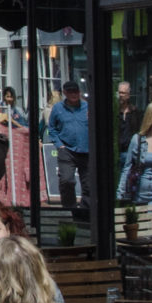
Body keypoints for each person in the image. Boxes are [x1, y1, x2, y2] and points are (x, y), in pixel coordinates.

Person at [46, 80, 89, 215]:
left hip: (86, 150)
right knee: (66, 180)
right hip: (67, 150)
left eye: (75, 91)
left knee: (88, 185)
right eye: (70, 92)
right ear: (65, 93)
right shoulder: (58, 108)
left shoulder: (87, 107)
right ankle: (70, 210)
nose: (73, 94)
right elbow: (52, 128)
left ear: (79, 92)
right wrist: (60, 145)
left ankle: (85, 212)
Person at [115, 81, 141, 155]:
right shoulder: (114, 110)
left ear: (128, 95)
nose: (120, 95)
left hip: (130, 150)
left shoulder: (134, 111)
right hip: (117, 150)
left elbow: (138, 129)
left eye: (123, 93)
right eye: (119, 92)